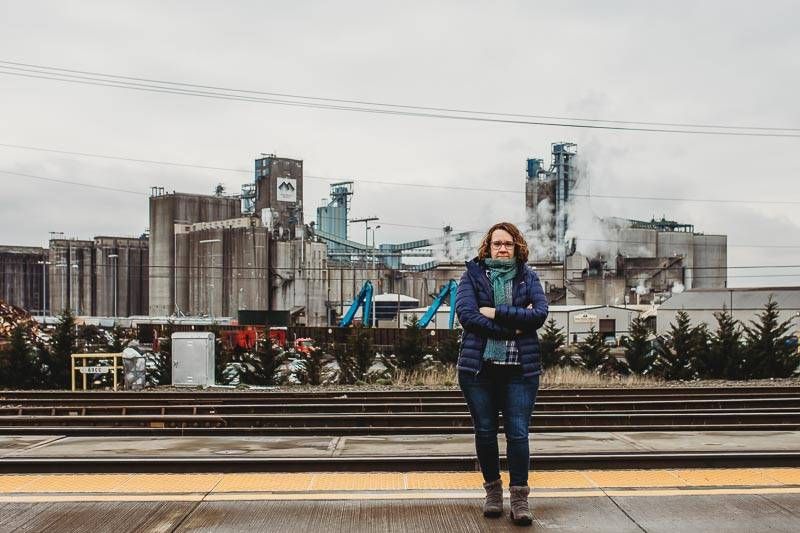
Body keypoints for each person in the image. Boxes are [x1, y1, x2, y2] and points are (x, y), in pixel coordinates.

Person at [455, 221, 548, 526]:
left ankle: (519, 499)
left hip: (520, 370)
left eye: (508, 243)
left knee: (518, 434)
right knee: (484, 432)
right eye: (497, 243)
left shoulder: (528, 277)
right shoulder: (471, 276)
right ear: (488, 247)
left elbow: (539, 314)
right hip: (478, 369)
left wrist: (494, 312)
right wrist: (515, 326)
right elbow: (468, 316)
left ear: (517, 246)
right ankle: (493, 493)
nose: (502, 248)